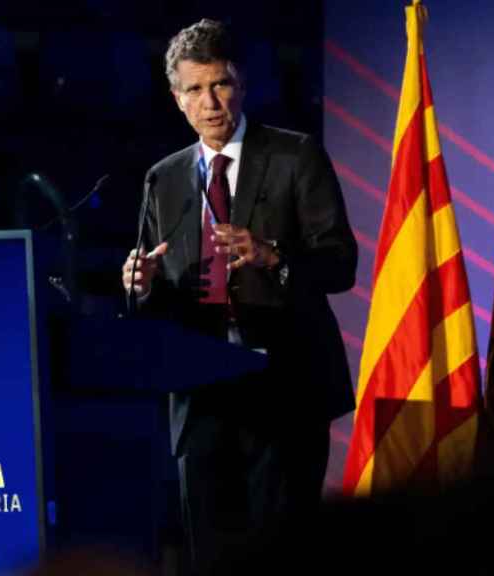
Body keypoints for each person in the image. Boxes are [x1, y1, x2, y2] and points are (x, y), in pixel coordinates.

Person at [121, 19, 357, 574]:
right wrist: (143, 285)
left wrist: (274, 256)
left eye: (221, 84)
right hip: (202, 400)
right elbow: (155, 303)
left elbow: (341, 264)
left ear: (242, 84)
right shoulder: (164, 178)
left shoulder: (295, 156)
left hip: (285, 391)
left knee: (282, 555)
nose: (211, 102)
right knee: (212, 557)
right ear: (177, 100)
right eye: (196, 90)